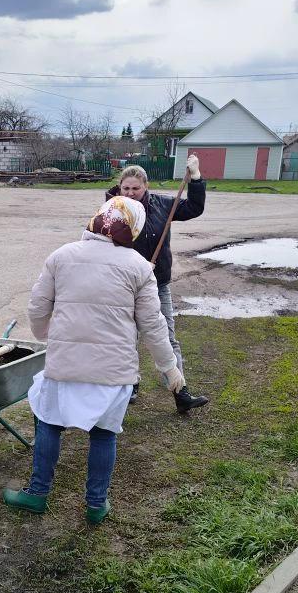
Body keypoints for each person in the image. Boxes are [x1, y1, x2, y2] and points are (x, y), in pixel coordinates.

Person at [2, 196, 184, 524]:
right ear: (135, 228)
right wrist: (169, 367)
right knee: (103, 434)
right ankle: (96, 504)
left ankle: (37, 493)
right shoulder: (140, 268)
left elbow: (37, 307)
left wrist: (44, 333)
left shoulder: (62, 256)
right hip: (114, 370)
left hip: (65, 363)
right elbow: (153, 324)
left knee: (48, 421)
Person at [106, 157, 208, 413]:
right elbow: (104, 246)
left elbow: (194, 207)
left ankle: (180, 392)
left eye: (135, 188)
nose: (130, 193)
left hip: (157, 283)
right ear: (119, 187)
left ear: (145, 187)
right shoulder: (113, 209)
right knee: (127, 337)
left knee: (167, 336)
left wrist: (195, 177)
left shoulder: (163, 205)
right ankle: (130, 386)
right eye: (125, 188)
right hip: (124, 285)